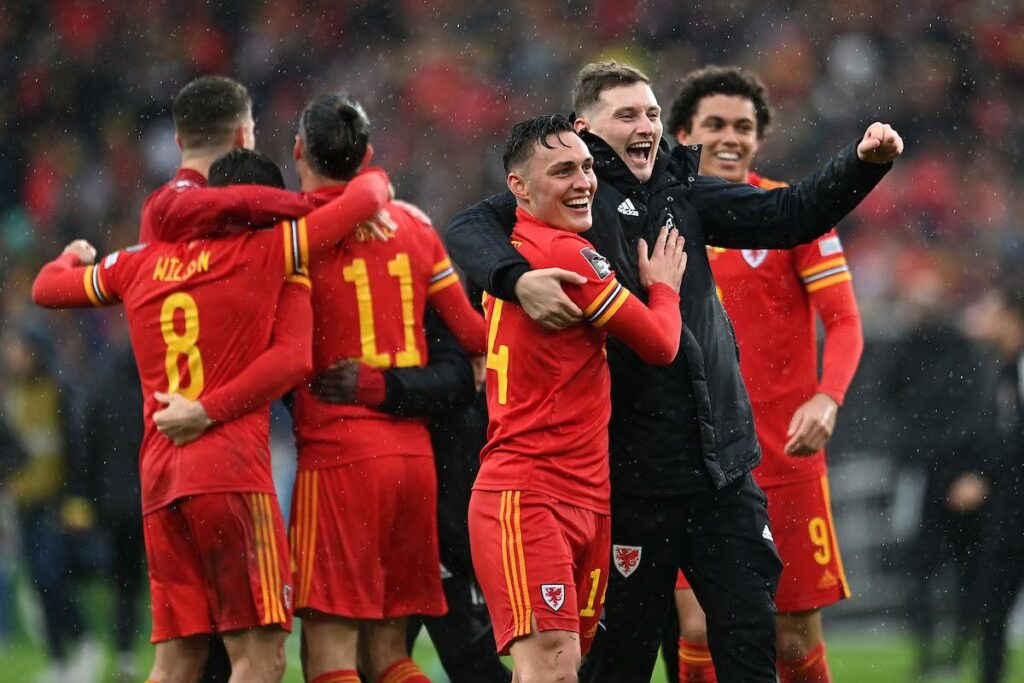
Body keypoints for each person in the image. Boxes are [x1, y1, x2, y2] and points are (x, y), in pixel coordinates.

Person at [444, 61, 902, 682]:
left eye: (653, 113)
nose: (647, 126)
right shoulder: (572, 201)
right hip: (630, 481)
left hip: (722, 472)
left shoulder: (684, 192)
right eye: (627, 114)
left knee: (749, 643)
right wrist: (515, 278)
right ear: (584, 129)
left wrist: (862, 163)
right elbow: (469, 225)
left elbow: (791, 214)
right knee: (622, 657)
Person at [31, 163, 390, 683]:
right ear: (255, 207)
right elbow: (367, 196)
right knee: (259, 656)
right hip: (231, 475)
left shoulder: (139, 263)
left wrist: (72, 254)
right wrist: (354, 185)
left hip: (160, 481)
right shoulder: (262, 252)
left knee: (176, 661)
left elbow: (47, 287)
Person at [659, 65, 864, 683]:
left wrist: (829, 399)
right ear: (682, 133)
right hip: (692, 460)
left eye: (744, 127)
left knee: (794, 640)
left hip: (785, 461)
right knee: (696, 627)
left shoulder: (792, 216)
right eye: (714, 124)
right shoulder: (660, 219)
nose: (730, 137)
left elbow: (847, 323)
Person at [468, 114, 685, 682]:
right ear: (519, 187)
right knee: (555, 670)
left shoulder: (511, 251)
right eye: (563, 171)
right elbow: (661, 344)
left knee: (553, 669)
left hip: (583, 493)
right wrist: (663, 285)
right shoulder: (567, 253)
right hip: (532, 491)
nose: (584, 181)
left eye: (587, 167)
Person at [283, 94, 486, 683]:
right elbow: (473, 332)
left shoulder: (299, 231)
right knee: (388, 655)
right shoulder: (417, 225)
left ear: (298, 150)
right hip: (412, 465)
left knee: (328, 651)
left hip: (340, 458)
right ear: (368, 154)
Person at [312, 307, 513, 683]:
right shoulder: (421, 261)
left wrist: (379, 387)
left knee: (345, 654)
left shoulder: (431, 263)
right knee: (376, 656)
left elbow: (459, 375)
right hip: (386, 487)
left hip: (440, 495)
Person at [962, 273, 1024, 683]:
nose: (984, 319)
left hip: (1012, 507)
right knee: (992, 607)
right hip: (1009, 512)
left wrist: (985, 474)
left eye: (992, 310)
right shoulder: (1001, 371)